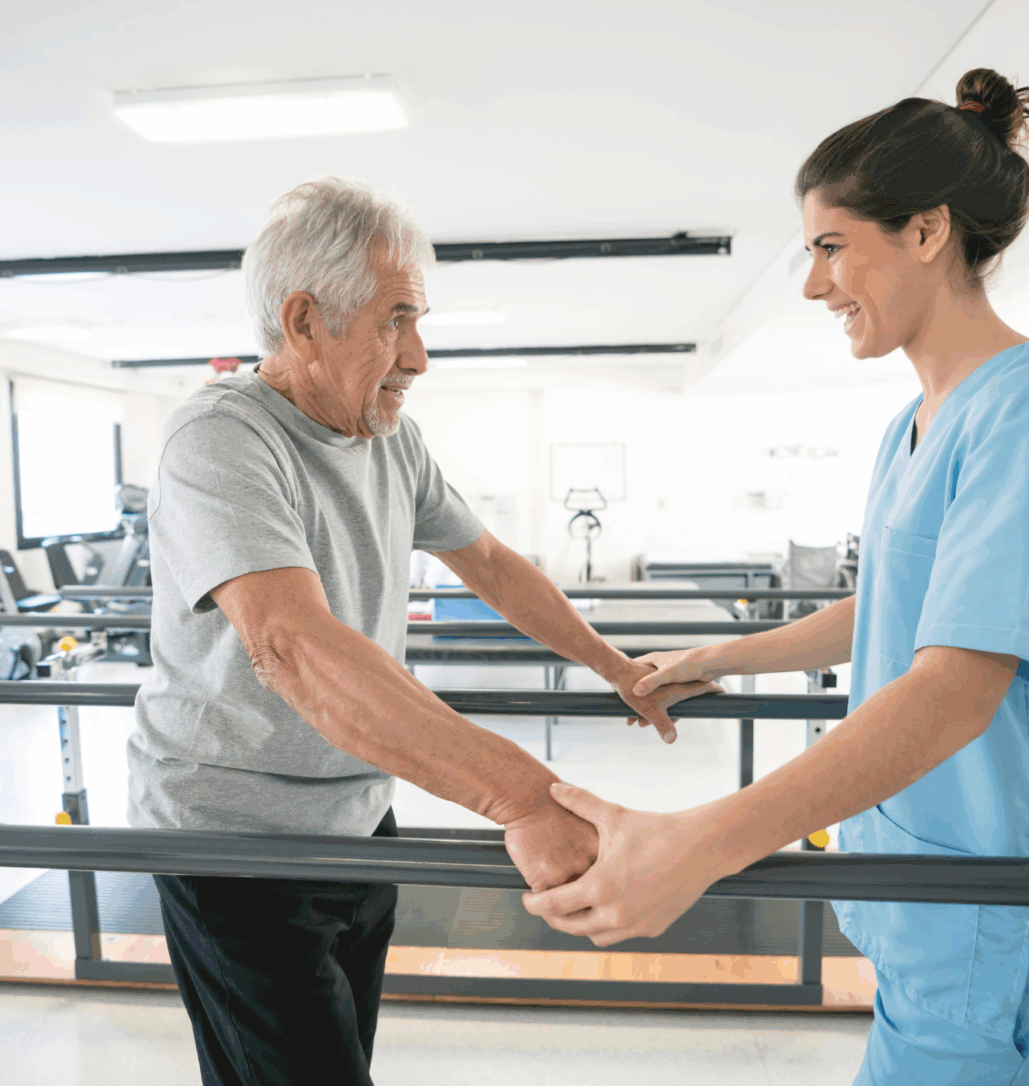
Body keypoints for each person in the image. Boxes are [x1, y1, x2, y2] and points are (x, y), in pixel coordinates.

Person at [524, 69, 1029, 1085]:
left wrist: (704, 843)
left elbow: (954, 686)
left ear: (926, 231)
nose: (816, 286)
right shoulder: (917, 423)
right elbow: (907, 606)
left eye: (830, 247)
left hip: (1008, 930)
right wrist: (724, 654)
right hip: (934, 905)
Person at [128, 177, 713, 1086]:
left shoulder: (388, 433)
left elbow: (491, 563)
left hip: (359, 812)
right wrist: (523, 798)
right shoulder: (221, 438)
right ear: (304, 320)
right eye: (395, 320)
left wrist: (614, 666)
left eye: (418, 320)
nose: (420, 356)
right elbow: (291, 647)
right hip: (235, 841)